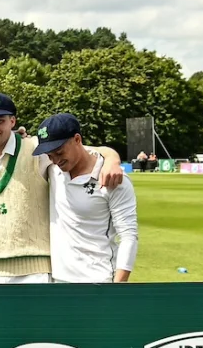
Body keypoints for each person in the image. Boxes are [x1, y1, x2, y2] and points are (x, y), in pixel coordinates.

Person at [0, 93, 123, 284]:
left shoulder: (36, 149)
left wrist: (112, 160)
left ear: (12, 121)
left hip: (35, 271)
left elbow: (86, 151)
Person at [35, 114, 138, 283]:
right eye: (49, 155)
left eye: (59, 152)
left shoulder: (113, 179)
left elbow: (128, 236)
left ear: (77, 139)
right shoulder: (53, 169)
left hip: (98, 281)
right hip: (58, 280)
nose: (55, 160)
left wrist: (118, 287)